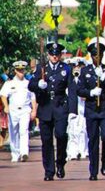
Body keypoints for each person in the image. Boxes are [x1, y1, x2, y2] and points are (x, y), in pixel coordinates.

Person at [28, 42, 76, 181]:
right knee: (46, 141)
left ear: (60, 55)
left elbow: (72, 89)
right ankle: (49, 171)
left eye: (57, 55)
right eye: (52, 54)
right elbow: (30, 85)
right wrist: (38, 85)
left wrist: (73, 110)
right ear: (48, 55)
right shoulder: (40, 68)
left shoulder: (66, 68)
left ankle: (60, 163)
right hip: (45, 107)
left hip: (60, 107)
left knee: (61, 136)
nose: (55, 57)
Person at [76, 38, 105, 181]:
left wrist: (104, 77)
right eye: (94, 55)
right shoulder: (85, 71)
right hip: (92, 109)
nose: (97, 57)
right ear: (91, 56)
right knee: (93, 140)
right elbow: (79, 90)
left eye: (99, 55)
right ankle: (93, 170)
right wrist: (91, 93)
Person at [0, 61, 37, 162]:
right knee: (14, 132)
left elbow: (33, 98)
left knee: (23, 131)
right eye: (19, 70)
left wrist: (34, 111)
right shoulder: (9, 83)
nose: (21, 72)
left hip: (25, 110)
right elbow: (3, 95)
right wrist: (6, 106)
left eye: (22, 70)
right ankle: (15, 154)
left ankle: (24, 152)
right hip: (13, 111)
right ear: (15, 71)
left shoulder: (28, 84)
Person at [66, 57, 88, 161]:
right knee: (72, 130)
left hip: (83, 107)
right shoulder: (68, 79)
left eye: (78, 66)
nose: (76, 68)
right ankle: (72, 152)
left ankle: (83, 151)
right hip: (72, 108)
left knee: (83, 130)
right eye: (73, 66)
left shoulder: (84, 79)